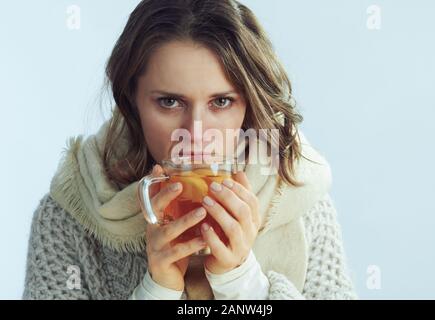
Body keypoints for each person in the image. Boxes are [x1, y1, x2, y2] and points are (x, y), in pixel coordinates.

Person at [23, 0, 357, 300]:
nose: (196, 135)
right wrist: (157, 290)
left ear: (248, 103)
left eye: (222, 101)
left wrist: (242, 282)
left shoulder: (300, 196)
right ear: (130, 99)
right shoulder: (69, 216)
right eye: (169, 102)